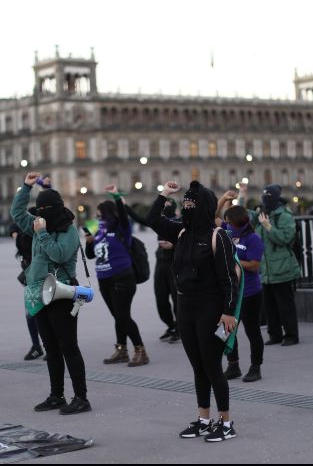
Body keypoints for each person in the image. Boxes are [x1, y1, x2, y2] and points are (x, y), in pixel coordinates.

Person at [147, 180, 240, 442]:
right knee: (198, 368)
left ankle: (226, 422)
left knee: (212, 366)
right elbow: (153, 218)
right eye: (184, 204)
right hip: (185, 306)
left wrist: (228, 311)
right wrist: (164, 193)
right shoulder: (181, 232)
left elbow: (228, 279)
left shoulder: (218, 236)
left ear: (203, 208)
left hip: (210, 307)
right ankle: (203, 419)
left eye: (191, 205)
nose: (186, 209)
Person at [11, 171, 91, 415]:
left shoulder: (68, 231)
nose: (41, 214)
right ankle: (56, 395)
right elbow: (16, 214)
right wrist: (26, 188)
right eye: (39, 209)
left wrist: (43, 233)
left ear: (56, 208)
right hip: (38, 293)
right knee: (51, 348)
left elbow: (59, 254)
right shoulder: (37, 223)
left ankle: (81, 397)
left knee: (69, 346)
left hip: (62, 293)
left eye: (45, 209)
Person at [86, 185, 149, 367]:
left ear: (109, 214)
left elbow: (122, 214)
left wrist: (116, 197)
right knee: (118, 316)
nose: (98, 219)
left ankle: (140, 350)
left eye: (100, 215)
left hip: (122, 277)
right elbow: (91, 255)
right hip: (104, 279)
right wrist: (89, 242)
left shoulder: (122, 229)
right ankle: (122, 350)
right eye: (97, 216)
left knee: (123, 316)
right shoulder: (98, 232)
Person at [239, 184, 301, 346]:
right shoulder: (261, 213)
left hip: (281, 267)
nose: (265, 200)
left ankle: (291, 335)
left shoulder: (284, 216)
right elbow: (239, 216)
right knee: (269, 305)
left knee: (285, 304)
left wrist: (268, 227)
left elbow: (285, 239)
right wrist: (241, 195)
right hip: (265, 269)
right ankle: (275, 334)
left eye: (268, 197)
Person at [216, 193, 265, 383]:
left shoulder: (253, 239)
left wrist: (234, 261)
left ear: (237, 222)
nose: (226, 222)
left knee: (252, 331)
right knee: (226, 329)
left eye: (229, 220)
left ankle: (255, 366)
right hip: (230, 292)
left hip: (250, 292)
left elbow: (255, 265)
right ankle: (233, 364)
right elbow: (213, 217)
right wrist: (223, 200)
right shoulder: (229, 230)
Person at [126, 199, 181, 343]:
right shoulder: (158, 222)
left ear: (174, 208)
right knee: (161, 298)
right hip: (161, 263)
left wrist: (173, 244)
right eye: (163, 206)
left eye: (168, 206)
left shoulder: (179, 223)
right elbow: (138, 218)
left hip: (175, 264)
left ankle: (179, 328)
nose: (164, 208)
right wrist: (123, 203)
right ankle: (170, 325)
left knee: (177, 298)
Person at [10, 222, 45, 361]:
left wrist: (17, 235)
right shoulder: (24, 234)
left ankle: (48, 346)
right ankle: (37, 346)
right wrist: (15, 234)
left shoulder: (37, 236)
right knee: (31, 314)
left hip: (42, 278)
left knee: (40, 314)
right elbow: (12, 226)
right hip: (30, 279)